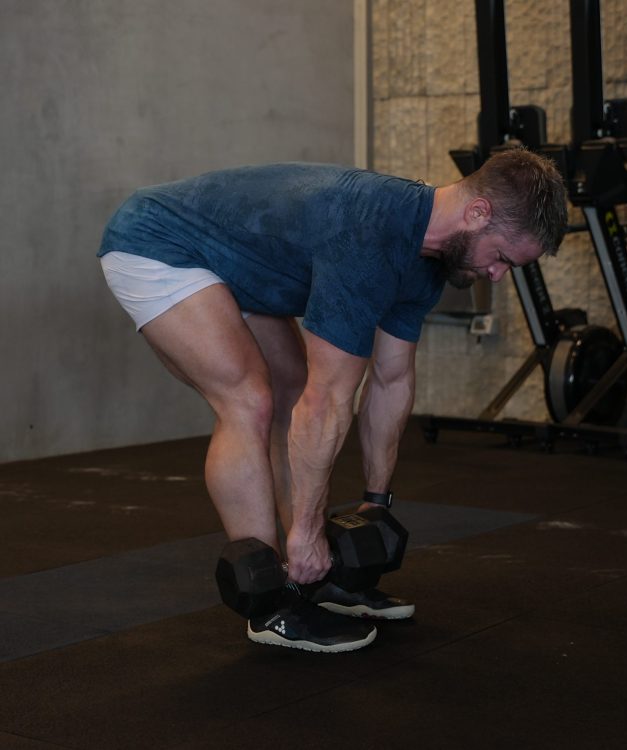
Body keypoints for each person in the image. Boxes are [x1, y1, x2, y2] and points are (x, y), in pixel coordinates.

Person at [98, 147, 567, 653]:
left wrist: (375, 503)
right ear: (478, 214)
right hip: (159, 242)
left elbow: (390, 380)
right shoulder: (369, 234)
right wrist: (307, 531)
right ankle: (269, 602)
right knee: (249, 398)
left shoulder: (428, 260)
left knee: (291, 389)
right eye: (501, 257)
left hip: (236, 264)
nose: (498, 274)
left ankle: (307, 577)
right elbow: (327, 403)